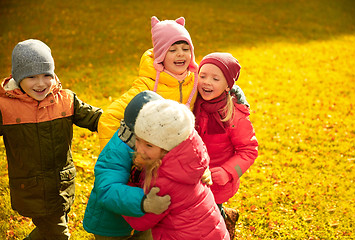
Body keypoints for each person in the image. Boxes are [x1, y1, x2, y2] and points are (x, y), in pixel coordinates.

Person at [0, 39, 103, 240]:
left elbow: (96, 119)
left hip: (61, 184)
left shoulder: (66, 100)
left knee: (48, 231)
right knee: (59, 235)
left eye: (46, 75)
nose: (40, 83)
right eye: (31, 77)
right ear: (18, 77)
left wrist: (125, 122)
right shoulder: (6, 108)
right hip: (32, 189)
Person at [98, 16, 249, 150]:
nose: (180, 54)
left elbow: (216, 86)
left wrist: (235, 92)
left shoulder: (194, 80)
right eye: (172, 50)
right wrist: (117, 155)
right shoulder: (146, 86)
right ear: (161, 56)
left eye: (185, 48)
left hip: (180, 155)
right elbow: (109, 118)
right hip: (151, 156)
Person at [123, 98, 230, 240]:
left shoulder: (163, 182)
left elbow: (140, 223)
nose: (140, 149)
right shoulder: (190, 160)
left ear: (167, 148)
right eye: (138, 139)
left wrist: (126, 189)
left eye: (149, 145)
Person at [83, 91, 171, 240]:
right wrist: (144, 202)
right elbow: (107, 190)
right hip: (111, 227)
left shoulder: (157, 146)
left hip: (143, 221)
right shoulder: (117, 150)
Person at [194, 52, 259, 239]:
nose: (207, 82)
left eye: (215, 78)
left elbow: (249, 150)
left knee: (212, 220)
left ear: (227, 86)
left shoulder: (234, 116)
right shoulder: (191, 103)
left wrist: (228, 172)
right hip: (191, 176)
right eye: (203, 75)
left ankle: (225, 225)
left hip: (217, 181)